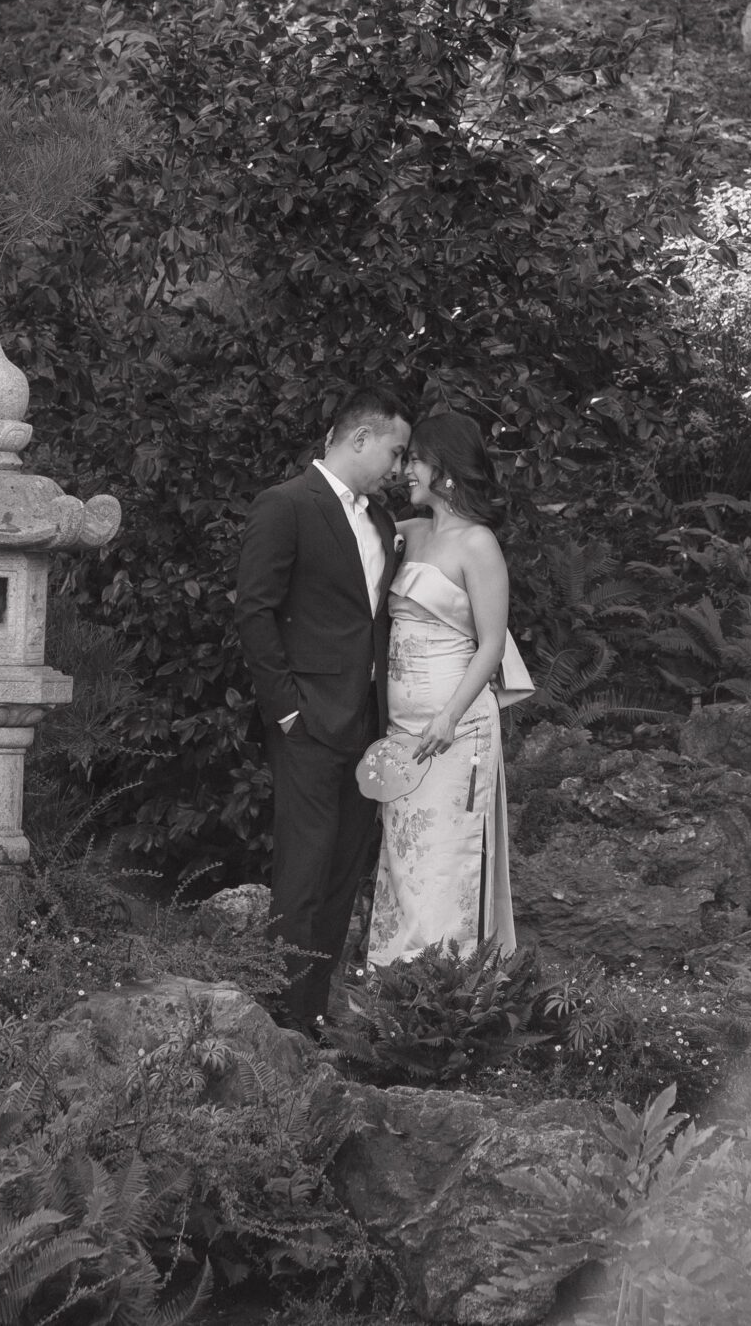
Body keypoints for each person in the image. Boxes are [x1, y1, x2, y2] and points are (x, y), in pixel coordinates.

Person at [231, 387, 413, 1031]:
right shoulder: (286, 505)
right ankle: (283, 1021)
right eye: (395, 451)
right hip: (306, 721)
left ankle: (314, 1019)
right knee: (303, 873)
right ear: (359, 438)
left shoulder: (383, 523)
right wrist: (285, 710)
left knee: (343, 875)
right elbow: (254, 609)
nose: (398, 466)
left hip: (367, 724)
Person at [365, 411, 525, 967]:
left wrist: (448, 717)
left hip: (455, 733)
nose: (406, 469)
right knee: (403, 859)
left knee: (443, 863)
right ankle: (394, 992)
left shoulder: (478, 544)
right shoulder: (408, 535)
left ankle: (445, 999)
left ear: (446, 471)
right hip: (403, 731)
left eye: (415, 460)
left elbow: (491, 643)